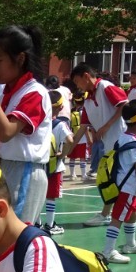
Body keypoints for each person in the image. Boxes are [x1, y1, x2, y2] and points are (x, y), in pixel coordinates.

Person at [0, 25, 52, 227]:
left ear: (20, 59)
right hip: (7, 166)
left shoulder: (35, 92)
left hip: (25, 169)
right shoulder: (7, 91)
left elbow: (7, 132)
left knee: (13, 235)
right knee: (2, 233)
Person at [70, 63, 127, 224]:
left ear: (86, 76)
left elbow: (124, 104)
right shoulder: (88, 101)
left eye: (77, 81)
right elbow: (83, 127)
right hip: (110, 145)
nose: (77, 85)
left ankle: (108, 214)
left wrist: (106, 125)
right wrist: (69, 147)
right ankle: (108, 214)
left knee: (114, 180)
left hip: (122, 142)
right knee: (109, 180)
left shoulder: (106, 87)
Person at [101, 99, 136, 264]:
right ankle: (108, 251)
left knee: (132, 213)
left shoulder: (123, 137)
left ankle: (131, 244)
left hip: (121, 184)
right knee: (117, 217)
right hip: (127, 187)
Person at [41, 89, 76, 236]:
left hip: (40, 163)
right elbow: (70, 140)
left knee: (39, 194)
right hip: (55, 165)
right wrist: (63, 154)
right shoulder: (60, 125)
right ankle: (50, 224)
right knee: (51, 196)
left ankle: (37, 223)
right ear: (61, 107)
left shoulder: (40, 123)